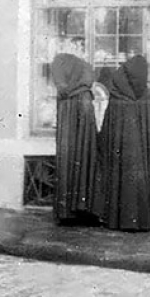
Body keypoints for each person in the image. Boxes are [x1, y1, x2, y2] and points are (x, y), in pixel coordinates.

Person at [93, 55, 150, 231]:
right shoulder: (145, 94)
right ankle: (147, 219)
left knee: (121, 181)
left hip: (120, 153)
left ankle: (119, 219)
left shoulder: (117, 95)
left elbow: (108, 129)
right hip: (142, 155)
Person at [51, 53, 99, 223]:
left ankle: (66, 212)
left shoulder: (65, 99)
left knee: (67, 160)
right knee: (84, 158)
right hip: (82, 128)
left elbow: (61, 85)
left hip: (66, 118)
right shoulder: (85, 95)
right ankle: (84, 210)